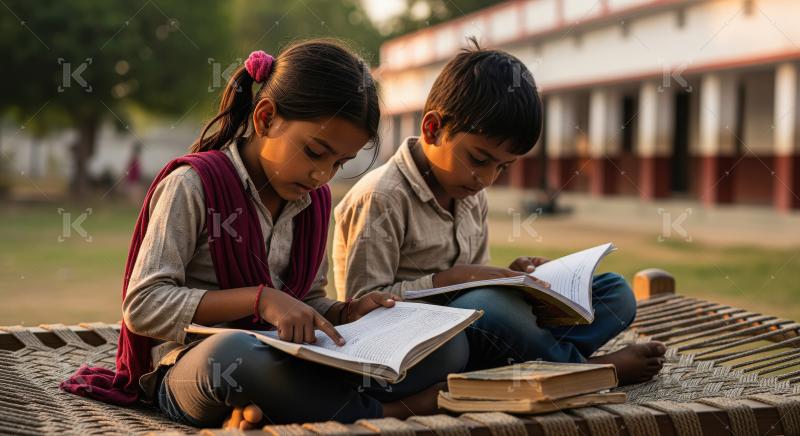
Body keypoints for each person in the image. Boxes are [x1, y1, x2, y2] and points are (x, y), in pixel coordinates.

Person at [60, 40, 469, 429]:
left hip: (288, 360)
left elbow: (307, 301)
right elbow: (144, 305)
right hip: (192, 367)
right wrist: (259, 299)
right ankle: (388, 410)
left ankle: (266, 409)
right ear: (266, 117)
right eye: (313, 152)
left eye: (339, 163)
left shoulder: (313, 202)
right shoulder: (193, 184)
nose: (322, 175)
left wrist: (347, 312)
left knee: (451, 347)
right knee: (235, 355)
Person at [333, 39, 665, 387]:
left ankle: (549, 362)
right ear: (433, 128)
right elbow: (361, 309)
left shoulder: (471, 194)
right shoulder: (382, 197)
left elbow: (479, 283)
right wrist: (451, 280)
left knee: (615, 292)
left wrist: (514, 277)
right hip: (421, 346)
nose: (487, 179)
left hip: (482, 326)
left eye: (503, 168)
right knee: (491, 308)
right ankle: (589, 373)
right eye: (479, 159)